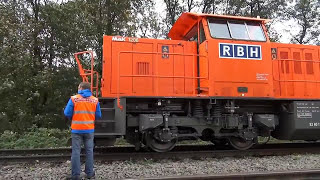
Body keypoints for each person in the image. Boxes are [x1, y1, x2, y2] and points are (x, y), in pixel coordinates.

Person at [64, 82, 101, 180]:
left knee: (76, 151)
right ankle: (89, 173)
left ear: (81, 88)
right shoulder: (95, 100)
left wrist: (74, 117)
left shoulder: (74, 99)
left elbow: (67, 113)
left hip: (77, 129)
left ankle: (75, 175)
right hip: (89, 129)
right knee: (89, 151)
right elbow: (98, 115)